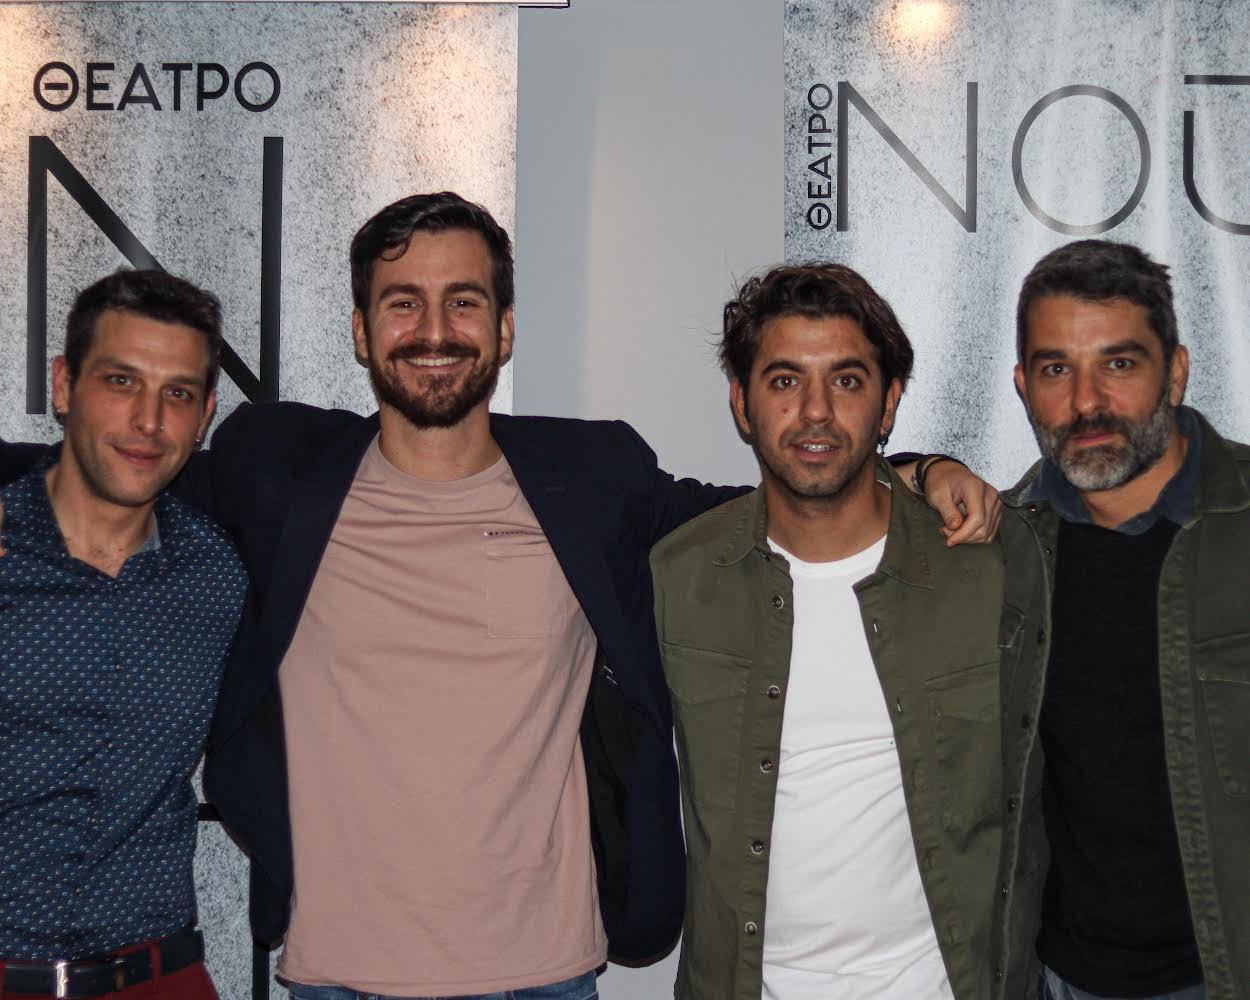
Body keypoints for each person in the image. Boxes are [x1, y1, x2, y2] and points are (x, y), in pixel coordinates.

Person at [0, 194, 998, 1000]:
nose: (434, 331)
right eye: (402, 303)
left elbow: (775, 500)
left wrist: (915, 468)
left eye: (464, 302)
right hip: (336, 974)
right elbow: (117, 459)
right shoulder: (276, 468)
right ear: (360, 332)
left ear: (505, 327)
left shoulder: (592, 479)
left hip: (545, 975)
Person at [650, 262, 1034, 1000]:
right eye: (785, 380)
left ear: (889, 405)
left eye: (848, 381)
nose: (816, 411)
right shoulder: (681, 577)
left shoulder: (983, 570)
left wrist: (931, 470)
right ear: (741, 403)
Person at [993, 239, 1249, 1000]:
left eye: (1120, 363)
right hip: (1057, 977)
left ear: (1176, 370)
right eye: (1056, 370)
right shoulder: (1000, 549)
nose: (1087, 403)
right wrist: (928, 468)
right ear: (1022, 385)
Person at [0, 270, 247, 999]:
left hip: (161, 975)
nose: (148, 421)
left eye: (178, 394)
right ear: (64, 385)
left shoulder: (217, 572)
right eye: (120, 381)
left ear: (204, 416)